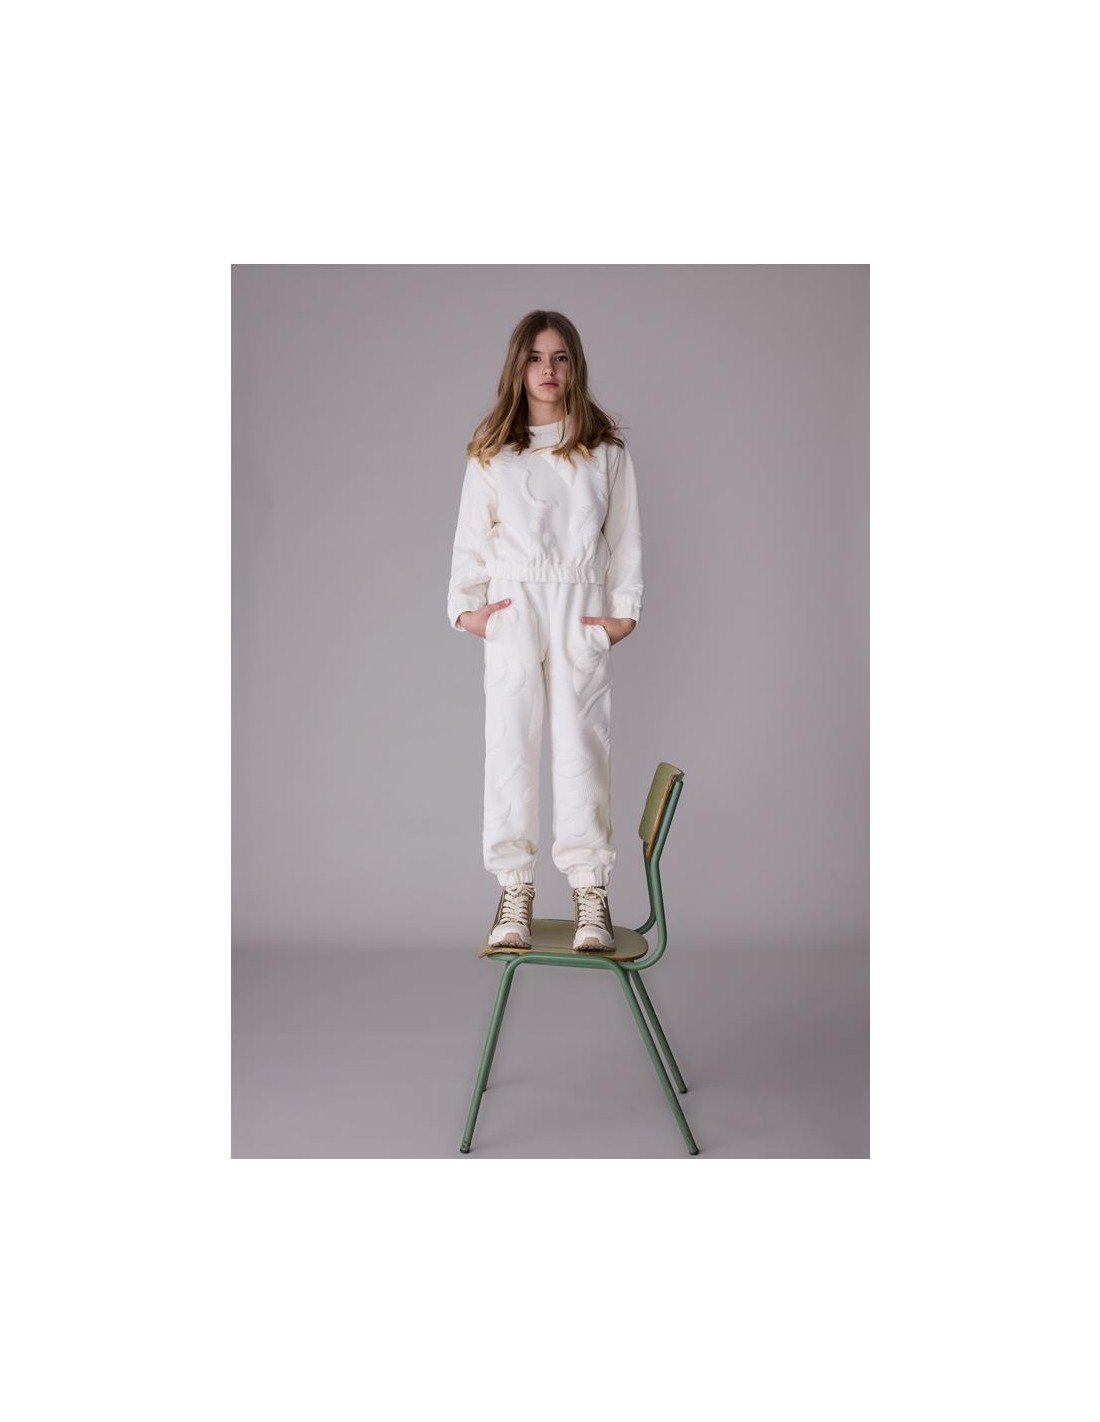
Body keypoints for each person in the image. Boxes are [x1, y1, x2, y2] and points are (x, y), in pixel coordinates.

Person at [446, 310, 643, 953]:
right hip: (514, 608)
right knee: (509, 747)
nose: (548, 369)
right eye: (535, 357)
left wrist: (623, 613)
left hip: (578, 606)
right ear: (518, 367)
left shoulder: (605, 454)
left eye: (559, 357)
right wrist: (467, 609)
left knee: (582, 746)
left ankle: (590, 895)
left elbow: (624, 539)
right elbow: (470, 539)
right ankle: (514, 893)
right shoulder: (492, 453)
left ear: (574, 365)